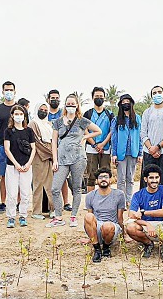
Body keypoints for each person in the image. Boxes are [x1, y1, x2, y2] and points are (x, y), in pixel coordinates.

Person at [48, 94, 102, 227]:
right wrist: (55, 160)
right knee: (55, 188)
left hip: (78, 158)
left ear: (77, 105)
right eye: (69, 104)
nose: (71, 106)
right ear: (65, 105)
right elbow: (54, 141)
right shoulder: (58, 122)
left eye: (73, 104)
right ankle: (58, 216)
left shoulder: (82, 120)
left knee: (77, 188)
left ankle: (73, 216)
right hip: (62, 158)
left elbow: (98, 131)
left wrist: (85, 137)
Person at [125, 165, 163, 260]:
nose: (154, 180)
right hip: (145, 225)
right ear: (145, 179)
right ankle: (148, 244)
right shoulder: (138, 195)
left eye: (157, 177)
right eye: (151, 178)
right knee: (130, 227)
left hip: (162, 223)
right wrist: (147, 224)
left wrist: (144, 213)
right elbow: (131, 215)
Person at [84, 167, 126, 263]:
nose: (103, 179)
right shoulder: (90, 196)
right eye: (100, 177)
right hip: (97, 227)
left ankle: (106, 247)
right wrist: (89, 237)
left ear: (111, 180)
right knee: (88, 216)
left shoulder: (119, 195)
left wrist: (124, 235)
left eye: (106, 177)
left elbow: (120, 218)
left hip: (112, 227)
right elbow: (90, 220)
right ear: (96, 181)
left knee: (108, 226)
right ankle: (97, 249)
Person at [4, 105, 36, 228]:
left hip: (26, 166)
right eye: (16, 114)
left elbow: (33, 148)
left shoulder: (28, 131)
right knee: (12, 193)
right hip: (12, 167)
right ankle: (11, 217)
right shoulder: (8, 131)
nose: (19, 116)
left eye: (21, 114)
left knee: (25, 193)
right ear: (12, 115)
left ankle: (23, 215)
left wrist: (28, 164)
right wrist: (16, 164)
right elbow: (7, 149)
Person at [110, 94, 142, 206]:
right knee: (121, 179)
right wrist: (114, 154)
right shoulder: (116, 119)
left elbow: (140, 137)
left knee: (130, 178)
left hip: (133, 152)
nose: (125, 104)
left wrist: (140, 153)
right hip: (120, 153)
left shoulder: (137, 118)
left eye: (128, 101)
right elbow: (114, 138)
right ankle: (121, 201)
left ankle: (129, 200)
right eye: (123, 102)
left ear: (131, 103)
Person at [0, 81, 17, 213]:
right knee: (3, 175)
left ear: (15, 91)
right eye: (6, 90)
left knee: (18, 175)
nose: (9, 92)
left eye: (11, 90)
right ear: (2, 92)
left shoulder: (19, 108)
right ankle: (3, 202)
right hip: (2, 147)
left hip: (17, 147)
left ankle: (18, 202)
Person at [140, 85, 163, 190]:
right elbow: (143, 133)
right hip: (148, 152)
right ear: (151, 96)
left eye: (159, 92)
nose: (157, 94)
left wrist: (158, 147)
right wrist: (151, 148)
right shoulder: (147, 112)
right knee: (147, 181)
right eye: (154, 93)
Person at [84, 86, 113, 193]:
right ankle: (90, 199)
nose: (99, 98)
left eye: (101, 96)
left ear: (104, 98)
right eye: (97, 96)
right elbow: (84, 130)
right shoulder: (88, 114)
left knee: (105, 175)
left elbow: (112, 130)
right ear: (92, 98)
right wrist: (94, 144)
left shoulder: (109, 114)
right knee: (91, 175)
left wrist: (103, 144)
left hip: (105, 148)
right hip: (91, 149)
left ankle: (105, 197)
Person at [30, 103, 54, 219]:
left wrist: (53, 155)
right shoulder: (33, 124)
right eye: (41, 109)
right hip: (39, 157)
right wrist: (51, 154)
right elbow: (37, 142)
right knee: (38, 184)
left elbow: (53, 140)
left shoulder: (49, 124)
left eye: (45, 110)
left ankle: (52, 209)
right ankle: (36, 212)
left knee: (51, 184)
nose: (43, 112)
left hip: (50, 157)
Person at [46, 89, 69, 210]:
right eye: (52, 98)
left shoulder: (63, 114)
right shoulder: (44, 112)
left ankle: (66, 202)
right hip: (46, 149)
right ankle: (50, 204)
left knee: (63, 176)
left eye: (57, 98)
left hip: (62, 148)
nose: (54, 100)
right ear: (48, 99)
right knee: (48, 177)